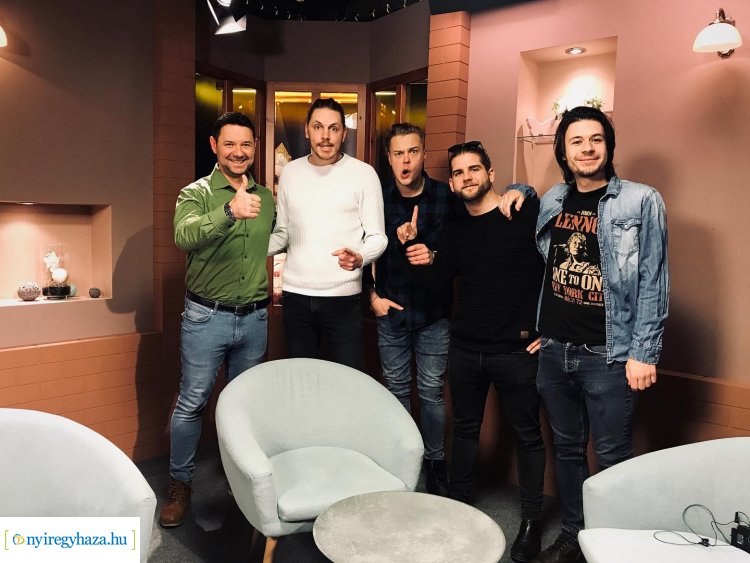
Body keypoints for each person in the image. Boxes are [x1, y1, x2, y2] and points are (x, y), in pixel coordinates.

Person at [504, 106, 669, 563]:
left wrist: (644, 352)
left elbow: (653, 279)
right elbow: (535, 226)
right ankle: (575, 536)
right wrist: (520, 189)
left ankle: (612, 544)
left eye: (596, 139)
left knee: (612, 455)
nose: (587, 148)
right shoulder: (555, 198)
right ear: (563, 150)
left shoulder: (640, 200)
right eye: (576, 141)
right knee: (568, 451)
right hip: (555, 350)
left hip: (609, 354)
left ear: (608, 146)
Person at [404, 141, 547, 562]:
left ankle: (530, 523)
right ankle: (459, 507)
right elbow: (436, 286)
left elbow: (555, 273)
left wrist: (550, 330)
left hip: (516, 352)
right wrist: (418, 254)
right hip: (466, 349)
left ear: (490, 173)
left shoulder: (523, 213)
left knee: (527, 436)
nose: (466, 177)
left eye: (474, 169)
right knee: (465, 430)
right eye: (458, 173)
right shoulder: (455, 230)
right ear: (451, 183)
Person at [160, 112, 274, 528]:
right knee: (192, 402)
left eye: (245, 144)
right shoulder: (196, 193)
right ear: (214, 146)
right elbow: (184, 236)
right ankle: (180, 484)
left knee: (243, 407)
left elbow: (275, 238)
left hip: (255, 318)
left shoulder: (267, 197)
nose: (238, 152)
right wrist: (229, 209)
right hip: (206, 317)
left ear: (254, 147)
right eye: (229, 144)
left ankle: (239, 484)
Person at [363, 123, 465, 496]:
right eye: (398, 153)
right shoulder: (377, 198)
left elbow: (460, 252)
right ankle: (403, 461)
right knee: (395, 390)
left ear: (423, 154)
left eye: (413, 151)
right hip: (391, 311)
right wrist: (372, 298)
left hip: (434, 314)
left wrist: (431, 252)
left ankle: (435, 462)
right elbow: (359, 250)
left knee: (431, 391)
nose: (406, 161)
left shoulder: (446, 197)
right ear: (388, 158)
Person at [268, 98, 386, 370]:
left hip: (343, 300)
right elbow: (283, 234)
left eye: (334, 128)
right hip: (295, 297)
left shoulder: (364, 174)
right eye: (318, 127)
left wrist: (360, 257)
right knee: (302, 378)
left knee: (346, 379)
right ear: (307, 130)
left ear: (344, 133)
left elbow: (378, 237)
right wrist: (247, 246)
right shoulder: (290, 173)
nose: (325, 135)